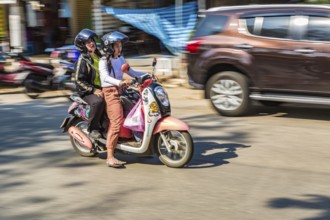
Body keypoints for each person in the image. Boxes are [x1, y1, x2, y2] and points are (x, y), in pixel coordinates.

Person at [99, 31, 145, 167]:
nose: (120, 48)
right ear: (109, 47)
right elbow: (105, 78)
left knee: (139, 109)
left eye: (120, 46)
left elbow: (133, 73)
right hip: (110, 92)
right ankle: (110, 156)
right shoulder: (103, 61)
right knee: (116, 121)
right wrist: (119, 82)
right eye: (117, 46)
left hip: (122, 89)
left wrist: (148, 75)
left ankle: (139, 139)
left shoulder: (120, 59)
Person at [74, 29, 105, 138]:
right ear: (83, 45)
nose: (92, 43)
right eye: (88, 42)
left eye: (92, 40)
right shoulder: (82, 60)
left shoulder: (100, 55)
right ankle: (93, 128)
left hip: (102, 87)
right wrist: (94, 90)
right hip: (87, 91)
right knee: (98, 101)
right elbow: (78, 80)